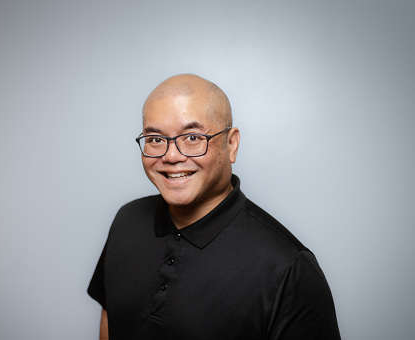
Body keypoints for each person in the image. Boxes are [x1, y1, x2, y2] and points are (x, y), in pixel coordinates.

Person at [88, 74, 340, 340]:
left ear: (231, 144)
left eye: (193, 137)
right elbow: (111, 319)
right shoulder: (126, 220)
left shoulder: (289, 267)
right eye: (155, 139)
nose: (171, 156)